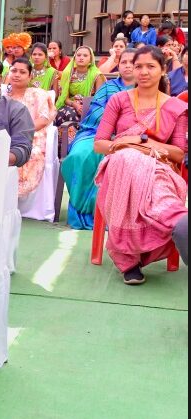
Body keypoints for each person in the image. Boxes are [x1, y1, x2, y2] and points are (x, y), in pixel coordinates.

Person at [93, 46, 188, 284]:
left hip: (158, 166)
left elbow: (178, 154)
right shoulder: (119, 100)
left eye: (150, 66)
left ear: (163, 70)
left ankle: (176, 227)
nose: (143, 72)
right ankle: (173, 222)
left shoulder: (175, 107)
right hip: (119, 164)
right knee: (127, 159)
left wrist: (142, 142)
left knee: (145, 172)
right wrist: (129, 147)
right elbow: (100, 144)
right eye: (138, 66)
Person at [61, 48, 138, 230]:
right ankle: (82, 210)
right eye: (124, 62)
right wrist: (114, 124)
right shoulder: (108, 87)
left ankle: (111, 213)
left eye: (132, 63)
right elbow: (96, 110)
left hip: (131, 137)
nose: (128, 66)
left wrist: (124, 129)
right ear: (118, 64)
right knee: (78, 156)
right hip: (95, 132)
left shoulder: (144, 90)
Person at [5, 58, 56, 196]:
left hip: (31, 136)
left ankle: (15, 192)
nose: (17, 75)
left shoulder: (38, 94)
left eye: (22, 72)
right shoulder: (2, 96)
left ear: (30, 76)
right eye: (14, 71)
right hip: (5, 136)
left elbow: (43, 120)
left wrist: (20, 132)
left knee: (31, 153)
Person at [54, 46, 105, 126]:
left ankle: (78, 133)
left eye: (85, 55)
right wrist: (75, 105)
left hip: (90, 106)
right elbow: (65, 98)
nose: (81, 58)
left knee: (77, 114)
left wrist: (84, 107)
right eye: (78, 55)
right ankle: (65, 134)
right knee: (60, 113)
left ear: (90, 59)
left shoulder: (96, 75)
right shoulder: (68, 73)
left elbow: (99, 99)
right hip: (70, 104)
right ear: (74, 58)